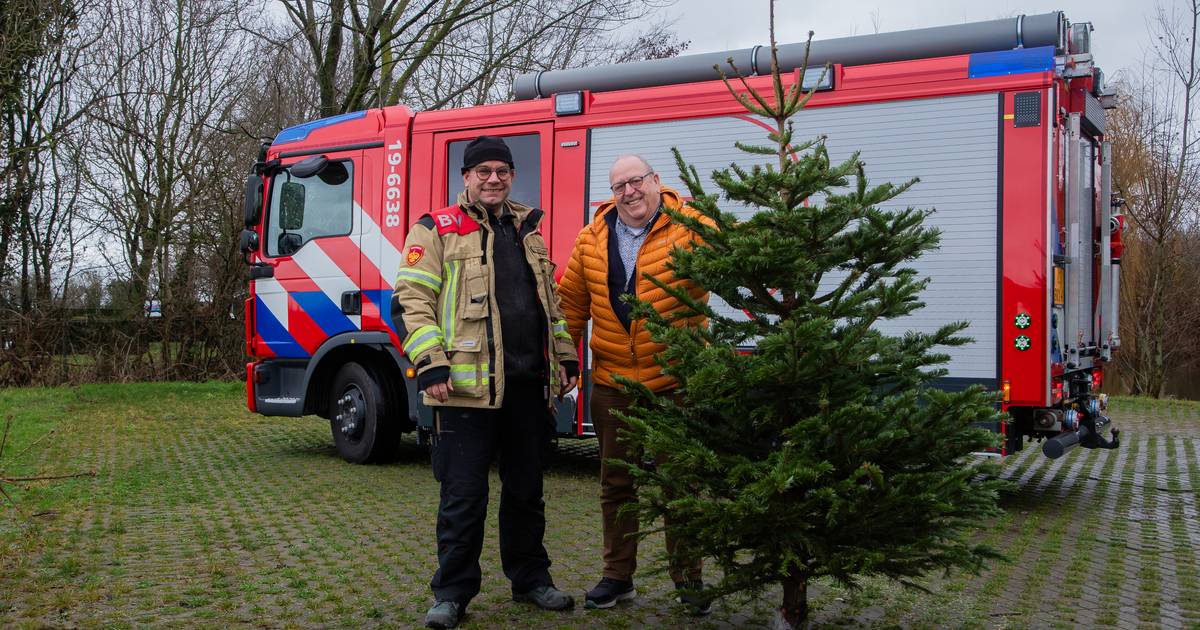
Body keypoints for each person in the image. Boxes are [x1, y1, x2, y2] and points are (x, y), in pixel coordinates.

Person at [392, 136, 580, 629]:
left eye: (502, 170)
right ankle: (452, 593)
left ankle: (531, 580)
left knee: (526, 492)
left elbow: (551, 307)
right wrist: (430, 365)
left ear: (512, 176)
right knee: (463, 498)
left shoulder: (529, 230)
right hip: (463, 392)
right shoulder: (435, 229)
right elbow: (411, 302)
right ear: (466, 177)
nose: (493, 178)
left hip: (526, 387)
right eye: (483, 171)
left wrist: (563, 355)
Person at [557, 155, 712, 614]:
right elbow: (571, 307)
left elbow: (734, 264)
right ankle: (617, 577)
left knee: (679, 485)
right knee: (616, 485)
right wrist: (567, 359)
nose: (629, 191)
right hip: (612, 383)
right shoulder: (592, 238)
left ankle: (690, 581)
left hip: (675, 381)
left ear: (657, 182)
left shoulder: (691, 224)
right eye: (619, 184)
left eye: (636, 180)